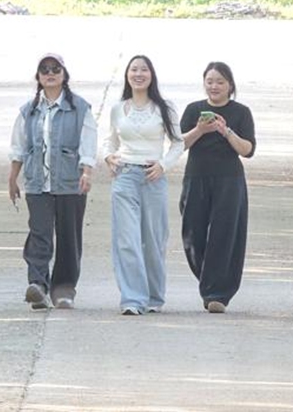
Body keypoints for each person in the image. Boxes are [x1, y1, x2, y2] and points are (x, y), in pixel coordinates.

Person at [8, 52, 97, 310]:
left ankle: (64, 288)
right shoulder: (29, 110)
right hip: (37, 182)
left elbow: (88, 142)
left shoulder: (80, 108)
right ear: (37, 76)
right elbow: (19, 146)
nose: (50, 73)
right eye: (44, 69)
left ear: (64, 74)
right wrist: (13, 177)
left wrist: (87, 171)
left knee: (69, 236)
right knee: (39, 234)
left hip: (71, 181)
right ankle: (38, 285)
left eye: (55, 69)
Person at [103, 54, 183, 314]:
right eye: (134, 70)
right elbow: (110, 141)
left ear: (151, 75)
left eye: (144, 70)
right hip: (124, 176)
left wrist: (163, 165)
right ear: (127, 75)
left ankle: (154, 297)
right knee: (126, 240)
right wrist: (108, 156)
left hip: (153, 177)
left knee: (153, 239)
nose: (138, 74)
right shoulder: (118, 108)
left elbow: (178, 142)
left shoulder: (164, 107)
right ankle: (132, 300)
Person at [179, 61, 255, 313]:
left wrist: (226, 131)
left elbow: (247, 150)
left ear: (230, 86)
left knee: (225, 236)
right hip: (196, 177)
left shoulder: (241, 112)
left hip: (229, 180)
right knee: (193, 234)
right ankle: (208, 280)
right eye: (210, 81)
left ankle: (217, 294)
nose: (214, 86)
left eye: (220, 82)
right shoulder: (193, 110)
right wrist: (200, 129)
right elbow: (179, 144)